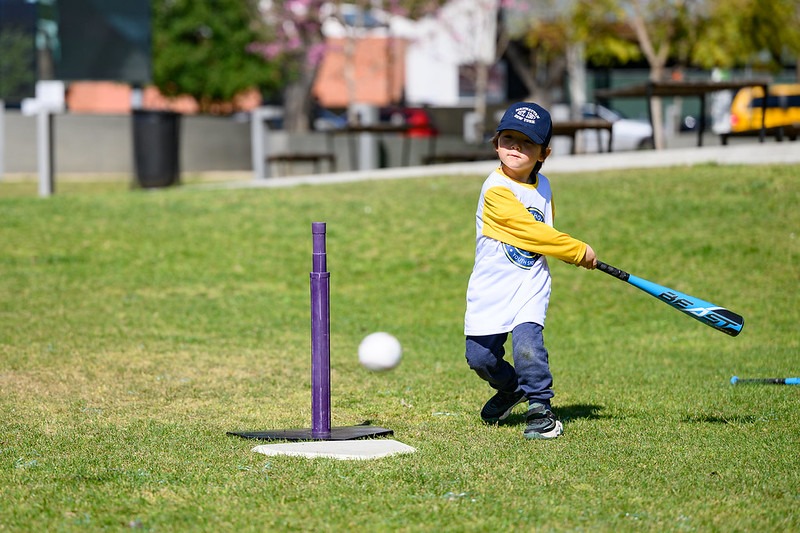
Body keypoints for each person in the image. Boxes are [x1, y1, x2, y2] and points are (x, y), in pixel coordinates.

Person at [464, 101, 597, 440]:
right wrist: (576, 250)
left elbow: (545, 233)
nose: (516, 147)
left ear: (543, 154)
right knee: (480, 358)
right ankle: (512, 389)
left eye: (527, 142)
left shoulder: (544, 186)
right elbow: (531, 232)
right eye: (508, 138)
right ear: (496, 144)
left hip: (529, 283)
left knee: (527, 346)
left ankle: (540, 408)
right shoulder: (495, 190)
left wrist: (563, 251)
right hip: (491, 287)